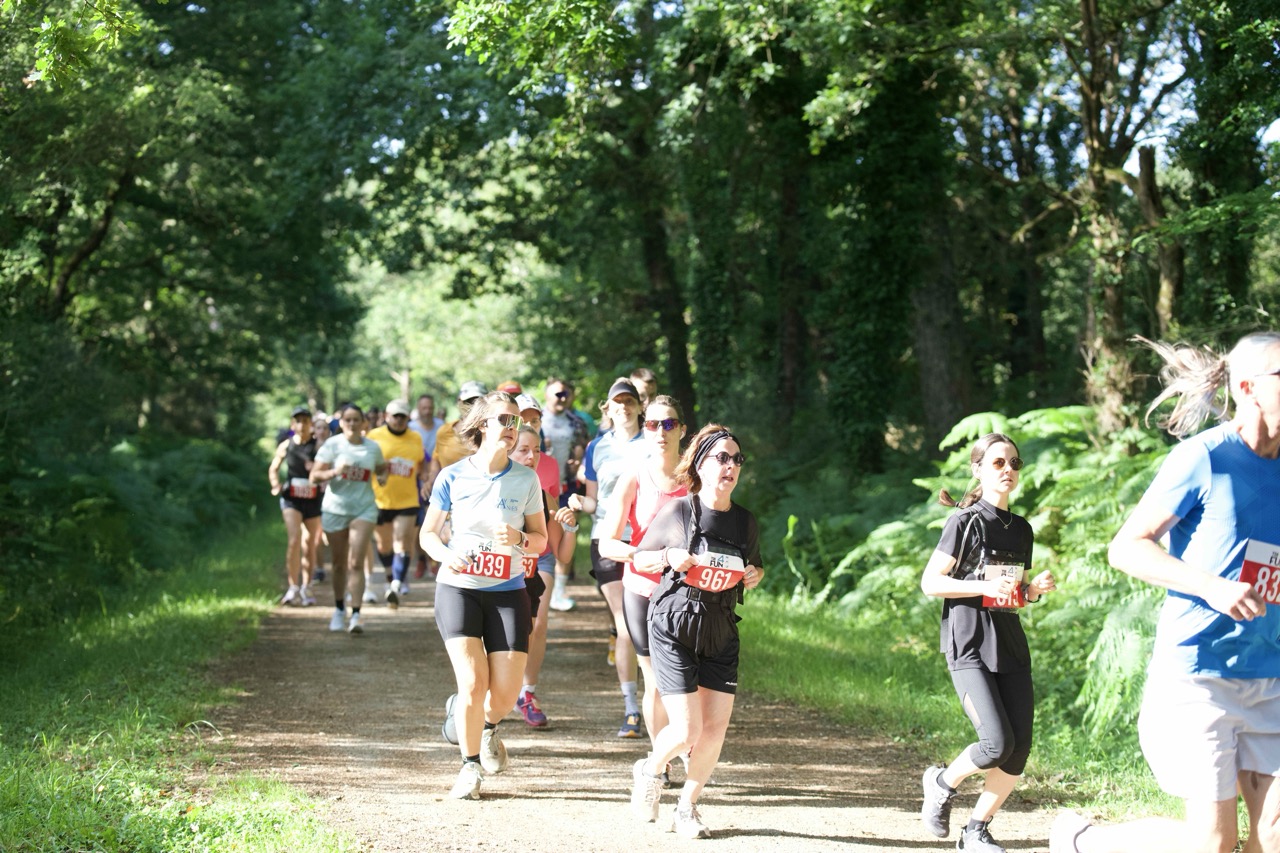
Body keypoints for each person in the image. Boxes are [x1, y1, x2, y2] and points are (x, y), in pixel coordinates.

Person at [1050, 333, 1280, 853]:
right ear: (1248, 388)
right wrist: (1212, 587)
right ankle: (1084, 841)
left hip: (1272, 673)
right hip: (1200, 674)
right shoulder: (1205, 457)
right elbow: (1126, 547)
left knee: (1275, 838)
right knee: (1212, 844)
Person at [917, 432, 1057, 853]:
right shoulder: (965, 522)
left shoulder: (1023, 529)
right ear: (978, 469)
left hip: (1009, 643)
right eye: (998, 463)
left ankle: (975, 830)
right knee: (997, 743)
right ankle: (942, 782)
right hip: (969, 643)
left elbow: (1011, 594)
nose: (1008, 470)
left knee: (1018, 749)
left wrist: (1032, 591)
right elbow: (931, 583)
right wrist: (980, 585)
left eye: (1014, 463)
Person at [628, 424, 764, 838]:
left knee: (715, 729)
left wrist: (754, 575)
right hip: (674, 623)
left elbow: (754, 567)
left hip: (721, 627)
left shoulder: (744, 521)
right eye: (722, 457)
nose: (731, 466)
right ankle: (651, 769)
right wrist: (669, 555)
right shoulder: (679, 511)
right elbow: (640, 559)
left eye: (737, 459)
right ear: (701, 463)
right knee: (688, 729)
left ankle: (687, 806)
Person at [419, 391, 548, 800]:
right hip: (458, 589)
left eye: (516, 421)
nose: (512, 428)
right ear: (481, 426)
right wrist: (447, 555)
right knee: (474, 683)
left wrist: (520, 538)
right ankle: (469, 766)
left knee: (505, 695)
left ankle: (485, 725)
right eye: (504, 420)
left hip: (508, 591)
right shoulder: (453, 476)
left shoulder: (525, 479)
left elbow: (541, 541)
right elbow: (428, 534)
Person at [599, 395, 688, 763]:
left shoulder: (697, 480)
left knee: (687, 681)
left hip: (687, 594)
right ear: (645, 429)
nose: (661, 432)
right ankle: (660, 761)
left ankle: (685, 747)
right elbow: (607, 543)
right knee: (655, 681)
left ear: (682, 430)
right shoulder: (634, 477)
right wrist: (639, 555)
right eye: (653, 424)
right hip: (643, 589)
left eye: (669, 424)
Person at [571, 378, 647, 737]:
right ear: (608, 408)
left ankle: (663, 699)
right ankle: (632, 708)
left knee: (649, 623)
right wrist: (576, 504)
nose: (624, 407)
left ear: (639, 406)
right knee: (626, 622)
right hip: (607, 539)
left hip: (648, 541)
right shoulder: (596, 447)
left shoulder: (655, 441)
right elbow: (593, 501)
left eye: (629, 401)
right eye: (618, 402)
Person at [509, 420, 578, 727]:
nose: (531, 457)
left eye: (536, 450)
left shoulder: (545, 496)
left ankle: (527, 692)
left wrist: (571, 527)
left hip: (540, 562)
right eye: (523, 450)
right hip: (501, 566)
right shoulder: (492, 490)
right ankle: (490, 691)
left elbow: (562, 554)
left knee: (535, 624)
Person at [309, 404, 388, 634]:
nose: (352, 424)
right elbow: (314, 476)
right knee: (338, 564)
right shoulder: (332, 445)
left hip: (364, 509)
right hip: (335, 510)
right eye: (348, 420)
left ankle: (356, 614)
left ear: (364, 423)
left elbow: (382, 468)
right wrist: (335, 471)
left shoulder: (372, 447)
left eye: (356, 419)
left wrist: (382, 477)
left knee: (356, 562)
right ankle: (338, 608)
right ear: (342, 423)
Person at [368, 399, 427, 607]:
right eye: (395, 416)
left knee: (402, 542)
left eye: (403, 416)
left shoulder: (415, 437)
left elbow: (421, 463)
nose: (399, 420)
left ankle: (395, 584)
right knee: (384, 546)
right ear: (386, 417)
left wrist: (426, 479)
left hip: (407, 499)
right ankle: (389, 578)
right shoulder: (374, 436)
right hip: (380, 499)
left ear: (408, 418)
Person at [542, 378, 591, 610]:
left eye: (566, 394)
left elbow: (585, 450)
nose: (562, 399)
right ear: (547, 395)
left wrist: (578, 463)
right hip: (540, 487)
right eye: (557, 394)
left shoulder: (576, 422)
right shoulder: (537, 419)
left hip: (568, 486)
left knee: (566, 533)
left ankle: (559, 592)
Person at [267, 405, 324, 607]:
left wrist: (316, 470)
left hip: (313, 498)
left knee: (310, 544)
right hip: (292, 498)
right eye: (298, 421)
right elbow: (273, 468)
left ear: (311, 424)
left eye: (306, 421)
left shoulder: (319, 446)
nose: (302, 425)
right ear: (293, 425)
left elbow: (327, 467)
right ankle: (292, 586)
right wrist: (275, 485)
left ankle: (306, 587)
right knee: (294, 540)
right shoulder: (286, 445)